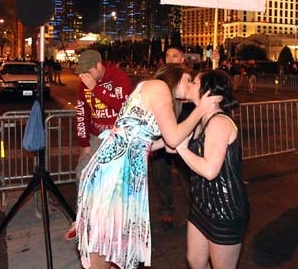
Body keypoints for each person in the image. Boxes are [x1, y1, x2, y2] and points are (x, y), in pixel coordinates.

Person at [75, 64, 222, 269]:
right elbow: (172, 136)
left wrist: (175, 144)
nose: (190, 87)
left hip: (122, 170)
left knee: (114, 247)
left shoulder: (151, 89)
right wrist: (200, 110)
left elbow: (144, 141)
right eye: (189, 80)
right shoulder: (159, 87)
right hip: (118, 172)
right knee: (105, 246)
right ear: (175, 76)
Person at [171, 69, 249, 269]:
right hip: (202, 205)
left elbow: (209, 170)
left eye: (194, 83)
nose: (189, 86)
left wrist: (181, 150)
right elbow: (172, 140)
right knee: (195, 262)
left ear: (209, 94)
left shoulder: (219, 122)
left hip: (225, 210)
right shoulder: (200, 119)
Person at [64, 49, 133, 240]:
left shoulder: (119, 78)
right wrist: (84, 142)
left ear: (98, 65)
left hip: (118, 138)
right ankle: (84, 220)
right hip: (96, 138)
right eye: (81, 73)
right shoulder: (83, 84)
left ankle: (116, 226)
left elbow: (123, 107)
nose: (84, 76)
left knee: (115, 184)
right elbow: (82, 113)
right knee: (82, 174)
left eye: (88, 71)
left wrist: (96, 88)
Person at [150, 44, 194, 228]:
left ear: (182, 59)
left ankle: (196, 212)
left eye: (175, 55)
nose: (170, 59)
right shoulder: (160, 81)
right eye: (168, 55)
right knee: (161, 176)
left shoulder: (187, 79)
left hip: (182, 136)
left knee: (188, 177)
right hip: (161, 137)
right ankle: (166, 210)